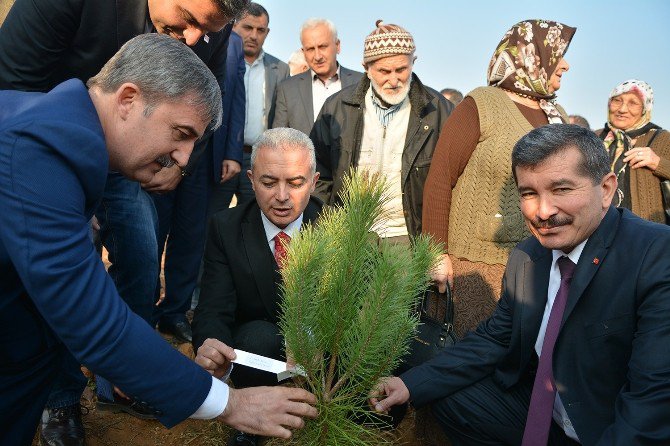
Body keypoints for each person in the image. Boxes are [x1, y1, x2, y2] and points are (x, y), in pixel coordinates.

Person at [0, 34, 318, 446]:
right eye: (181, 133)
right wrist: (232, 405)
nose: (184, 159)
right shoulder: (43, 151)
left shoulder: (60, 135)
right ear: (129, 99)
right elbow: (93, 322)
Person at [372, 123, 670, 446]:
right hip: (546, 417)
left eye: (561, 190)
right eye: (529, 193)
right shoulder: (528, 255)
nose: (542, 211)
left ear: (607, 189)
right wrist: (410, 384)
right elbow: (495, 338)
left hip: (609, 428)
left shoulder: (654, 254)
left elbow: (651, 400)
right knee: (450, 396)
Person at [423, 20, 575, 336]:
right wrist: (435, 253)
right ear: (533, 56)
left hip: (537, 266)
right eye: (558, 54)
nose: (566, 64)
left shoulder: (555, 114)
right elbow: (440, 178)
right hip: (476, 268)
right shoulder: (482, 103)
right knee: (469, 364)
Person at [193, 127, 321, 446]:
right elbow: (213, 308)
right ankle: (251, 421)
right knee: (254, 338)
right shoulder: (226, 228)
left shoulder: (341, 228)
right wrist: (211, 347)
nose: (281, 196)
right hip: (261, 350)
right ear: (251, 180)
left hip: (323, 352)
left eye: (295, 183)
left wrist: (307, 340)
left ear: (314, 181)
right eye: (268, 182)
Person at [311, 20, 452, 242]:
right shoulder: (337, 108)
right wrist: (325, 229)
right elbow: (319, 175)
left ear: (413, 62)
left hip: (409, 238)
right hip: (350, 238)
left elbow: (449, 181)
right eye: (384, 71)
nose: (394, 80)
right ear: (366, 68)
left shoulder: (438, 110)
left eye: (401, 69)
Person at [211, 2, 291, 212]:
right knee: (213, 217)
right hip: (220, 155)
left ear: (267, 32)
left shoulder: (280, 69)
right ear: (234, 25)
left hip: (259, 157)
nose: (254, 35)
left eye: (260, 30)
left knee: (254, 219)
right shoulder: (220, 60)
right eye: (248, 28)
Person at [272, 18, 363, 136]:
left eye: (323, 47)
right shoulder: (287, 89)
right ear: (303, 52)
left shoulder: (361, 83)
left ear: (337, 46)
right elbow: (278, 139)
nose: (317, 56)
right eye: (310, 49)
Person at [596, 79, 670, 223]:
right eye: (617, 100)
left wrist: (658, 163)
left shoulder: (662, 139)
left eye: (633, 103)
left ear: (645, 109)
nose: (622, 109)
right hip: (597, 227)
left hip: (646, 232)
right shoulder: (594, 137)